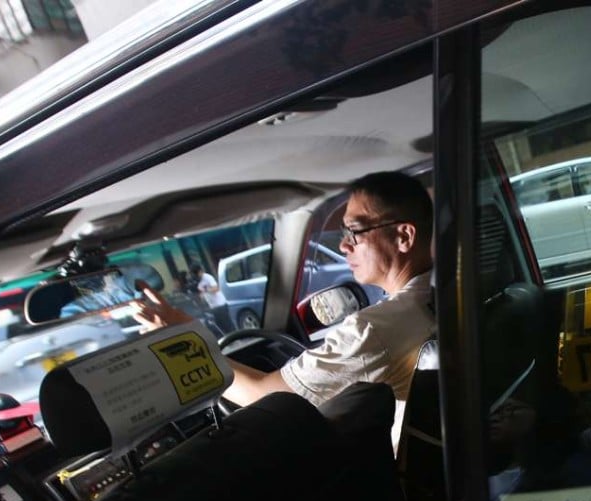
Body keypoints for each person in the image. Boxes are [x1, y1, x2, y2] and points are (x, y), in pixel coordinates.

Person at [132, 171, 436, 449]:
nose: (344, 246)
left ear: (404, 237)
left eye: (354, 232)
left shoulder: (375, 330)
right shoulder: (437, 298)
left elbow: (268, 398)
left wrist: (180, 340)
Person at [188, 262, 233, 333]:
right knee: (220, 326)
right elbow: (201, 292)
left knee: (227, 324)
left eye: (196, 274)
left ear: (200, 271)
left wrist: (206, 290)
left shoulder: (208, 277)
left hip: (220, 304)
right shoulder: (198, 281)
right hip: (213, 306)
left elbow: (216, 288)